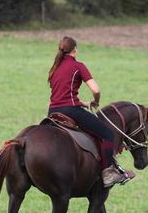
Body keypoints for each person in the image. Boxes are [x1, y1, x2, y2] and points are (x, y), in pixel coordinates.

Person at [47, 36, 134, 188]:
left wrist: (83, 103)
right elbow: (96, 89)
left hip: (52, 111)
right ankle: (108, 174)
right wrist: (96, 101)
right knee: (107, 134)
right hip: (71, 111)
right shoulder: (78, 66)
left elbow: (61, 95)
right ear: (75, 49)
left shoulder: (55, 68)